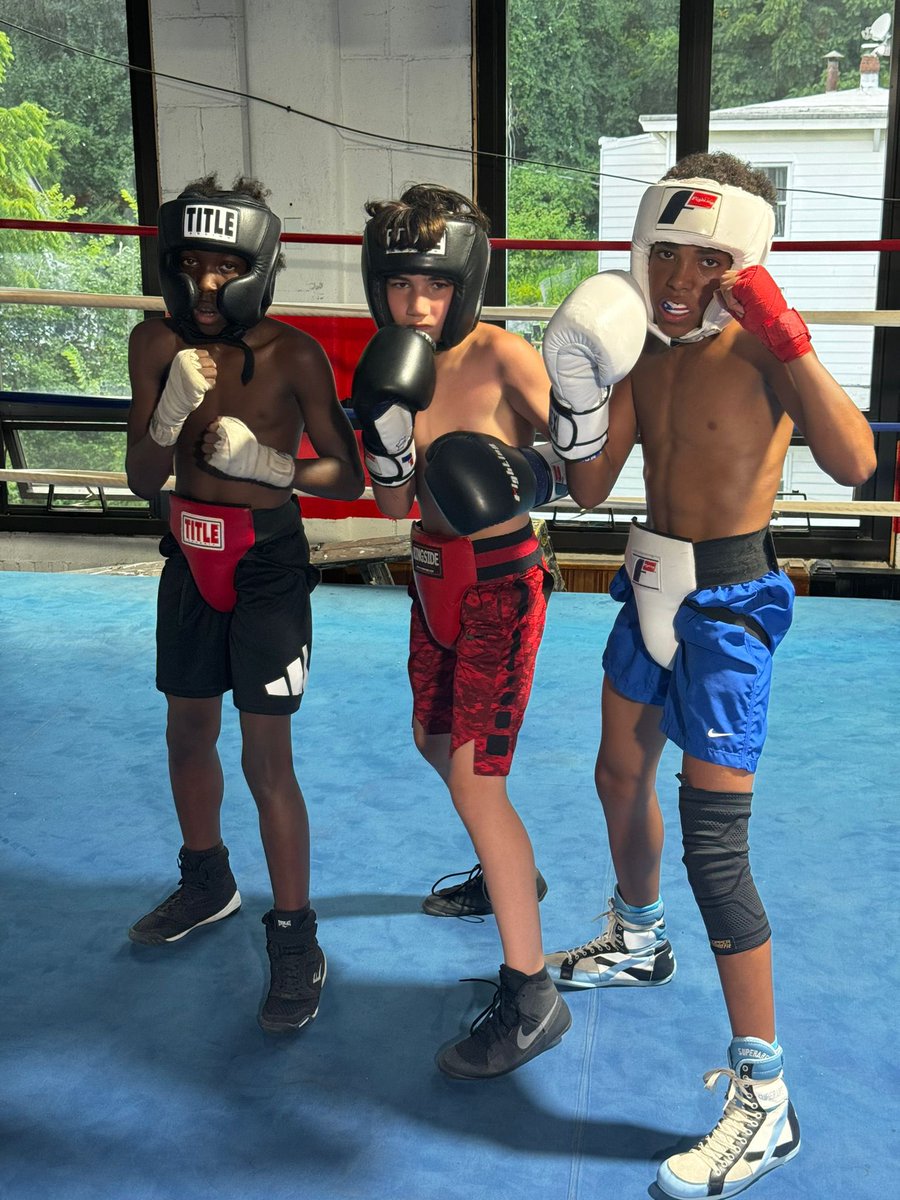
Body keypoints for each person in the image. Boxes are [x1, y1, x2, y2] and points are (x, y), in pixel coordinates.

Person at [540, 152, 876, 1197]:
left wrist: (794, 344)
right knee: (613, 773)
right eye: (665, 256)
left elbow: (859, 462)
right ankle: (639, 938)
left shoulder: (766, 355)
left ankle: (765, 1102)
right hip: (645, 576)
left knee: (715, 847)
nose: (680, 279)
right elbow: (592, 481)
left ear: (744, 263)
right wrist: (574, 394)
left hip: (730, 601)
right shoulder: (640, 349)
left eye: (705, 260)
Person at [125, 174, 365, 1035]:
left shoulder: (295, 355)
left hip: (266, 563)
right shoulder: (154, 344)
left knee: (268, 758)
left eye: (225, 267)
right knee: (187, 731)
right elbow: (142, 478)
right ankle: (207, 879)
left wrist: (270, 466)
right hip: (188, 549)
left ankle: (296, 938)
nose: (206, 286)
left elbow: (350, 471)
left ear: (260, 267)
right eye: (191, 265)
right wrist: (166, 421)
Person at [353, 183, 571, 1078]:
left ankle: (531, 997)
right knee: (432, 738)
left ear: (467, 284)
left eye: (435, 287)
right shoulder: (386, 365)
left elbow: (586, 463)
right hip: (430, 578)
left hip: (501, 587)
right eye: (402, 286)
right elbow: (395, 502)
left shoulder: (505, 358)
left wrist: (523, 474)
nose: (418, 304)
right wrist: (390, 444)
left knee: (479, 780)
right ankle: (507, 866)